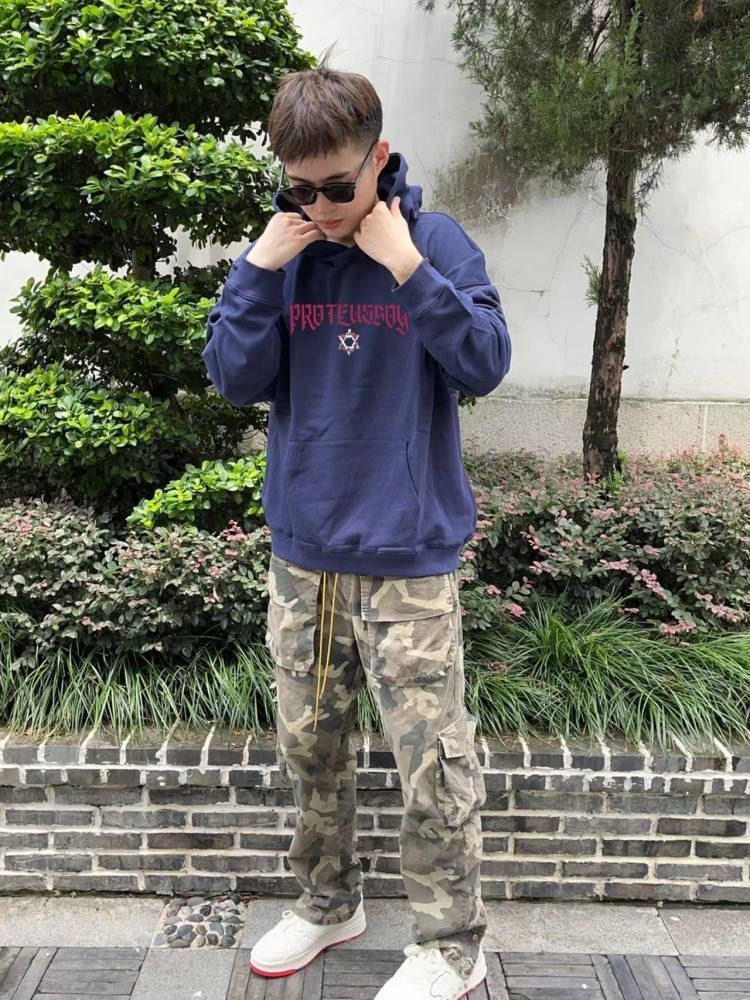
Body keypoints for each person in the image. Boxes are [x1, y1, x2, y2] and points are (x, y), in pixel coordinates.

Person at [202, 43, 511, 1000]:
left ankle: (451, 944)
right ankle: (328, 902)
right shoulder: (283, 254)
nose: (320, 208)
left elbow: (486, 362)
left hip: (409, 555)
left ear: (379, 158)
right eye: (298, 190)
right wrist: (258, 270)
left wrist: (407, 266)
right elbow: (234, 379)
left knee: (432, 764)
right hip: (305, 553)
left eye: (337, 187)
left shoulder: (436, 243)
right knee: (310, 747)